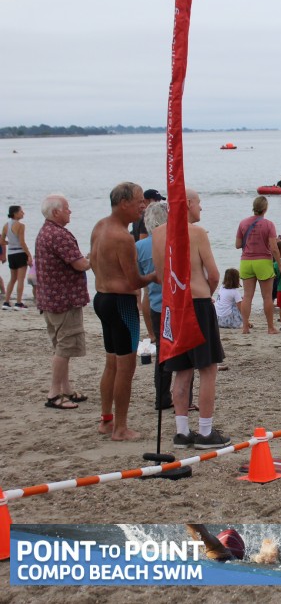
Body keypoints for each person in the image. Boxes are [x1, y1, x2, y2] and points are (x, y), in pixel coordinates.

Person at [152, 189, 230, 449]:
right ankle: (206, 432)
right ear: (187, 203)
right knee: (207, 369)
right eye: (198, 203)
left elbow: (161, 276)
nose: (201, 208)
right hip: (197, 302)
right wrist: (208, 292)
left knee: (182, 370)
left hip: (174, 305)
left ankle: (182, 431)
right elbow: (214, 273)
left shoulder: (158, 234)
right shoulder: (197, 233)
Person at [90, 182, 156, 441]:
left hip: (102, 298)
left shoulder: (100, 226)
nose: (143, 206)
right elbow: (134, 280)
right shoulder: (123, 237)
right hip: (121, 304)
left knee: (111, 363)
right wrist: (154, 275)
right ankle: (120, 428)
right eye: (139, 201)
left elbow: (93, 262)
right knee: (125, 368)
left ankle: (106, 420)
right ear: (123, 203)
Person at [34, 194, 91, 410]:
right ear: (56, 212)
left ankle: (66, 388)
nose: (70, 211)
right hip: (63, 300)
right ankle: (54, 393)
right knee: (65, 347)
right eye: (67, 208)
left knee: (61, 346)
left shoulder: (45, 231)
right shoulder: (58, 235)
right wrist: (95, 256)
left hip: (50, 299)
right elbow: (80, 264)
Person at [136, 201, 173, 411]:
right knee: (184, 354)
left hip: (156, 304)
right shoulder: (174, 242)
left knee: (162, 351)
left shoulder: (140, 247)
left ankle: (162, 396)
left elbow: (138, 278)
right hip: (174, 303)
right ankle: (183, 399)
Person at [235, 195, 281, 335]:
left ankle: (245, 327)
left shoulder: (243, 223)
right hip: (263, 262)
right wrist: (280, 265)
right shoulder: (269, 224)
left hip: (246, 261)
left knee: (247, 296)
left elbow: (237, 244)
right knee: (267, 297)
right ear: (265, 208)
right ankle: (270, 328)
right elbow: (274, 248)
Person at [2, 204, 32, 309]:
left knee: (12, 279)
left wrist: (10, 243)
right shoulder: (20, 225)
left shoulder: (5, 225)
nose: (23, 213)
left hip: (11, 254)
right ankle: (18, 303)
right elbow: (22, 242)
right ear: (15, 214)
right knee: (20, 279)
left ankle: (6, 302)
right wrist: (29, 255)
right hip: (20, 253)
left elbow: (1, 241)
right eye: (21, 211)